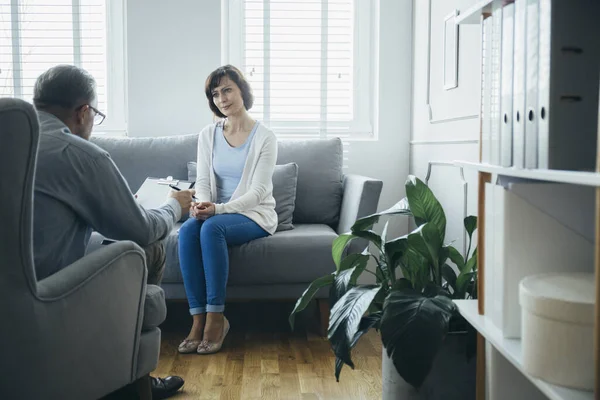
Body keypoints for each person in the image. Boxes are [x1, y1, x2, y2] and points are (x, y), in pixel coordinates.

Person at [31, 65, 188, 400]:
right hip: (50, 287)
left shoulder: (15, 141)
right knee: (149, 250)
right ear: (84, 111)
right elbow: (143, 229)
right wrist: (176, 205)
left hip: (14, 282)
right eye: (96, 114)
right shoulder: (79, 154)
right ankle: (132, 381)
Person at [177, 65, 278, 354]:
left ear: (242, 91)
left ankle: (216, 320)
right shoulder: (208, 135)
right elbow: (205, 181)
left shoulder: (265, 137)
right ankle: (197, 321)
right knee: (187, 231)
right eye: (216, 93)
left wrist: (217, 210)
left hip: (254, 213)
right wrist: (201, 205)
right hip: (217, 211)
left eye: (228, 90)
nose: (222, 98)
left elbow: (257, 192)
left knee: (212, 228)